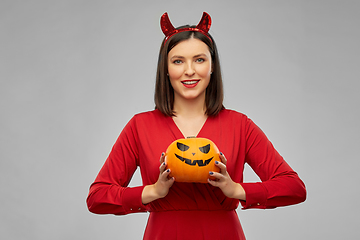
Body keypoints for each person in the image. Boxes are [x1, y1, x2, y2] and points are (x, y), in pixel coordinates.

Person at [86, 12, 306, 240]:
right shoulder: (139, 126)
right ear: (166, 69)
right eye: (178, 61)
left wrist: (235, 189)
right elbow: (97, 197)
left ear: (212, 66)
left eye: (199, 60)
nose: (189, 70)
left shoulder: (240, 125)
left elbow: (294, 187)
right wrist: (153, 191)